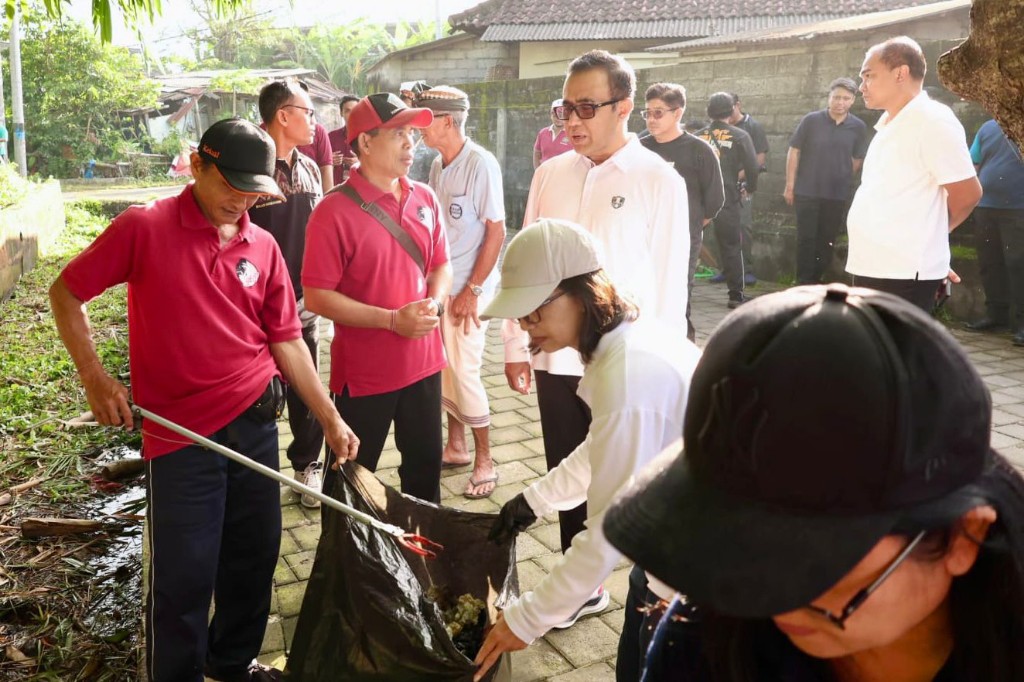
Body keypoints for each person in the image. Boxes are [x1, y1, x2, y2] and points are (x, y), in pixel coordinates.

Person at [48, 118, 359, 682]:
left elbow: (287, 340)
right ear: (197, 165)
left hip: (257, 424)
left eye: (252, 192)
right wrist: (95, 378)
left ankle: (230, 664)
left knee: (255, 557)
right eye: (230, 186)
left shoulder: (261, 245)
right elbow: (67, 292)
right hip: (179, 437)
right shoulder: (145, 228)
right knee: (184, 576)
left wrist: (329, 417)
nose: (240, 202)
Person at [604, 283, 1024, 682]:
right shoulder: (706, 633)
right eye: (741, 542)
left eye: (811, 565)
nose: (767, 595)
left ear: (965, 536)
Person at [472, 219, 700, 681]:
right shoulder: (624, 346)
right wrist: (535, 501)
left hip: (698, 585)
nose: (525, 328)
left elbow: (608, 534)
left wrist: (526, 618)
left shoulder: (629, 377)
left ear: (580, 294)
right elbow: (604, 448)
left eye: (533, 312)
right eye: (520, 316)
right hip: (663, 562)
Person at [502, 51, 690, 600]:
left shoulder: (659, 180)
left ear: (624, 107)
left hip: (626, 362)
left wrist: (658, 368)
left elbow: (669, 282)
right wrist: (518, 342)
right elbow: (525, 264)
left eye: (587, 107)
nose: (572, 122)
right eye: (566, 108)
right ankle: (581, 590)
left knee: (625, 467)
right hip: (556, 352)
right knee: (566, 456)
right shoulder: (549, 173)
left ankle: (638, 573)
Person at [302, 93, 452, 503]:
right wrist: (391, 320)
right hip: (365, 376)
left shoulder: (424, 197)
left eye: (412, 133)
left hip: (424, 363)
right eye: (398, 133)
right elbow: (316, 297)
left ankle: (420, 559)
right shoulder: (332, 212)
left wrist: (434, 304)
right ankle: (343, 565)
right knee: (350, 478)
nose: (411, 144)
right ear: (365, 142)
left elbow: (441, 266)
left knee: (424, 473)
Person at [846, 36, 982, 312]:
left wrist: (932, 243)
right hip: (873, 264)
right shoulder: (888, 123)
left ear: (900, 73)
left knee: (896, 352)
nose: (862, 87)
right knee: (873, 350)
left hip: (902, 272)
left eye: (869, 76)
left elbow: (967, 194)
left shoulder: (932, 120)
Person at [417, 86, 506, 499]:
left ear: (447, 121)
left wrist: (472, 289)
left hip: (471, 290)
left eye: (425, 119)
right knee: (445, 368)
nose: (419, 128)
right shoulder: (439, 164)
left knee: (465, 371)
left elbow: (496, 230)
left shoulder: (480, 163)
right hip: (445, 286)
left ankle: (486, 459)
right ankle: (457, 447)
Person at [249, 80, 325, 508]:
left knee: (306, 387)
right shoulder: (250, 165)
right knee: (255, 391)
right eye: (308, 112)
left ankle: (306, 467)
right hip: (252, 305)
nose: (314, 121)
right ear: (283, 115)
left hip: (302, 300)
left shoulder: (310, 167)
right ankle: (250, 472)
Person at [640, 82, 725, 341]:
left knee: (677, 298)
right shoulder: (639, 148)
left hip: (683, 239)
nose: (651, 119)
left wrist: (687, 228)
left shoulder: (699, 150)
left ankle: (683, 357)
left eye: (658, 113)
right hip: (642, 237)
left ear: (677, 113)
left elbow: (714, 201)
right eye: (647, 113)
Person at [784, 77, 869, 285]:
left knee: (826, 241)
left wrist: (843, 175)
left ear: (852, 100)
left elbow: (858, 158)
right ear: (829, 97)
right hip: (807, 190)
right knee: (806, 239)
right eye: (836, 97)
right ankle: (803, 282)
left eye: (846, 98)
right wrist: (790, 185)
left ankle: (816, 278)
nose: (840, 102)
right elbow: (794, 151)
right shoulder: (811, 120)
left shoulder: (857, 127)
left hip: (836, 194)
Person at [697, 92, 760, 309]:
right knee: (732, 246)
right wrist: (749, 188)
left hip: (699, 198)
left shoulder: (697, 136)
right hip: (727, 197)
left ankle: (681, 293)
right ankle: (735, 295)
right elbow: (753, 167)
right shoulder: (740, 135)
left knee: (690, 244)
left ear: (709, 111)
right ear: (732, 109)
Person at [964, 119, 1024, 344]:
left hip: (1019, 208)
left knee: (1019, 265)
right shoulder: (987, 127)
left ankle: (1022, 324)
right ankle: (995, 316)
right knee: (989, 264)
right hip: (985, 205)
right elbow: (974, 162)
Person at [722, 93, 768, 285]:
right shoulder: (720, 127)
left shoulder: (753, 126)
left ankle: (746, 270)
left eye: (729, 109)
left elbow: (759, 159)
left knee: (743, 227)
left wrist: (736, 176)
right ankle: (727, 270)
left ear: (738, 105)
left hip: (742, 186)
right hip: (722, 186)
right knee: (723, 228)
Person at [328, 94, 360, 184]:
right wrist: (329, 161)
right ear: (341, 113)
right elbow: (319, 165)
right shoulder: (331, 137)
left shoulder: (368, 138)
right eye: (347, 111)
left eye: (355, 110)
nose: (352, 114)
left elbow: (379, 167)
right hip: (335, 190)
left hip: (360, 191)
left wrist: (360, 163)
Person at [533, 98, 571, 167]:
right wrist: (538, 172)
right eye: (555, 114)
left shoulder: (573, 134)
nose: (558, 118)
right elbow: (537, 154)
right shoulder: (542, 133)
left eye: (561, 115)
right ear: (551, 114)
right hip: (545, 176)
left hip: (565, 176)